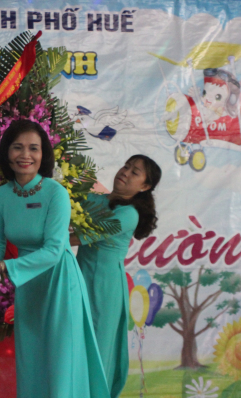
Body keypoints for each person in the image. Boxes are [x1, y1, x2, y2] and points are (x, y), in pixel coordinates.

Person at [0, 119, 110, 398]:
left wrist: (3, 266)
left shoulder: (55, 192)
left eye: (33, 148)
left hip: (60, 282)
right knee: (32, 363)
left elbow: (54, 250)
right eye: (18, 147)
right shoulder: (2, 196)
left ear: (43, 154)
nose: (25, 155)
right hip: (29, 287)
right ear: (6, 152)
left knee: (61, 365)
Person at [72, 154, 161, 398]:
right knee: (73, 347)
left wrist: (45, 244)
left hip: (105, 288)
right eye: (126, 166)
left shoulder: (129, 213)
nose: (125, 172)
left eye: (135, 172)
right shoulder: (93, 199)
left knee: (97, 352)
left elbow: (80, 237)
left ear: (145, 186)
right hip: (79, 280)